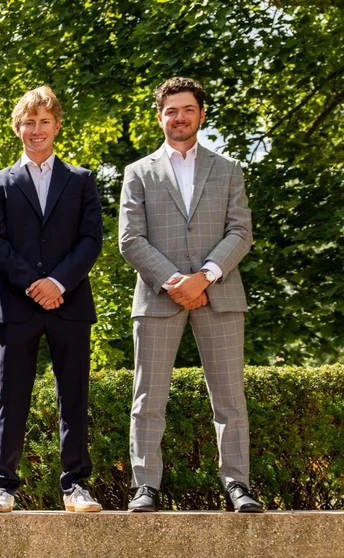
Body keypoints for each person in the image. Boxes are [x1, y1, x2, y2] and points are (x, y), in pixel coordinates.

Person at [119, 77, 261, 513]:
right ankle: (145, 486)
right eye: (171, 111)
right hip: (158, 297)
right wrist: (175, 282)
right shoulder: (138, 172)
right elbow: (130, 238)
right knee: (148, 399)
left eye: (187, 109)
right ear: (159, 116)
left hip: (220, 293)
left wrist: (205, 277)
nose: (179, 117)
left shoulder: (228, 169)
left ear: (200, 114)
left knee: (230, 398)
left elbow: (241, 231)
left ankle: (237, 485)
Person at [0, 86, 103, 513]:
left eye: (44, 121)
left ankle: (76, 486)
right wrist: (35, 284)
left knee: (74, 396)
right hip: (17, 304)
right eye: (29, 122)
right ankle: (2, 486)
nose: (37, 129)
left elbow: (91, 240)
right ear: (18, 128)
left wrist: (58, 284)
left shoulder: (82, 180)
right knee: (11, 397)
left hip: (70, 302)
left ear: (57, 125)